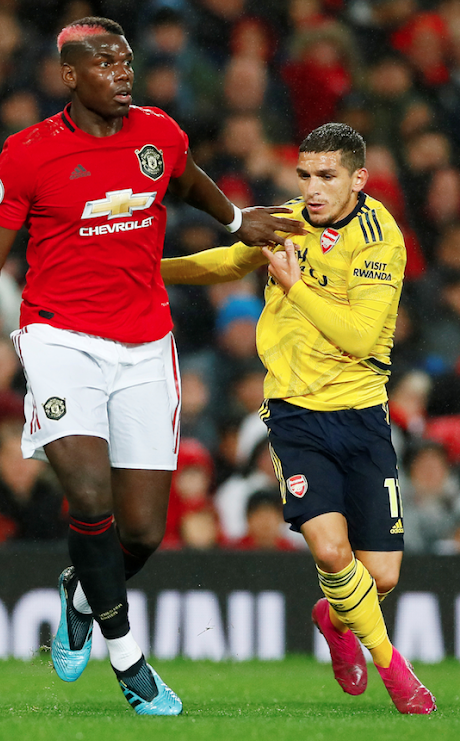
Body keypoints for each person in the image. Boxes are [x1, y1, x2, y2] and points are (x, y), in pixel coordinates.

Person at [0, 16, 302, 716]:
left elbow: (185, 180)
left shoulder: (158, 133)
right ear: (69, 75)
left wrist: (233, 221)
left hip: (146, 342)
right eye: (105, 64)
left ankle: (79, 592)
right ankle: (128, 659)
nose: (122, 73)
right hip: (61, 338)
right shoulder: (28, 155)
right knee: (88, 494)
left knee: (143, 531)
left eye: (126, 62)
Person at [161, 122, 436, 714]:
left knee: (381, 577)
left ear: (359, 179)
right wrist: (151, 269)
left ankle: (336, 619)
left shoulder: (381, 238)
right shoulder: (287, 220)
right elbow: (225, 264)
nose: (312, 189)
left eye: (327, 176)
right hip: (295, 415)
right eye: (305, 175)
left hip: (363, 416)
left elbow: (362, 338)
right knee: (333, 554)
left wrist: (294, 286)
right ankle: (396, 670)